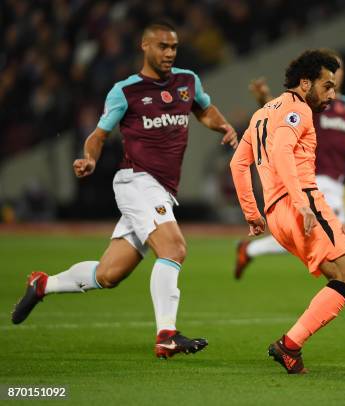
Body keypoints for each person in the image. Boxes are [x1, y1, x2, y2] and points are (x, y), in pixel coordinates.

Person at [11, 21, 238, 359]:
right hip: (137, 181)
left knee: (108, 274)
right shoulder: (126, 91)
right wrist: (89, 158)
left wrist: (222, 124)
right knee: (174, 249)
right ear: (144, 46)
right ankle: (167, 335)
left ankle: (43, 284)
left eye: (174, 47)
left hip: (161, 190)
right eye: (163, 46)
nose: (170, 53)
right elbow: (99, 134)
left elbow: (203, 108)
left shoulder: (187, 82)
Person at [230, 49, 345, 374]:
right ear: (305, 83)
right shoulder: (299, 110)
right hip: (301, 203)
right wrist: (303, 202)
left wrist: (252, 212)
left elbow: (238, 163)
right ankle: (289, 345)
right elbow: (281, 152)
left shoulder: (262, 113)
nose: (332, 94)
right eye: (327, 86)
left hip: (277, 214)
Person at [234, 49, 345, 282]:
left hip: (336, 181)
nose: (337, 74)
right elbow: (282, 113)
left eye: (340, 70)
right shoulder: (313, 101)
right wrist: (264, 99)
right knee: (340, 239)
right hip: (314, 179)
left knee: (310, 237)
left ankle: (249, 251)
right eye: (333, 70)